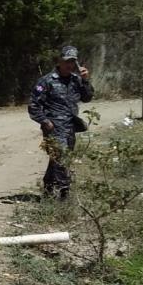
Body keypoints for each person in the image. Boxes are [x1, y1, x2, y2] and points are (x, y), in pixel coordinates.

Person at [28, 45, 94, 200]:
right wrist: (45, 122)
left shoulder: (76, 80)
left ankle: (48, 188)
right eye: (67, 61)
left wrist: (85, 80)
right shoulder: (46, 81)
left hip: (70, 127)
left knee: (58, 159)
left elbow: (87, 97)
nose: (70, 65)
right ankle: (64, 194)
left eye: (73, 62)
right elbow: (33, 105)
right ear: (59, 61)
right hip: (54, 128)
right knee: (62, 158)